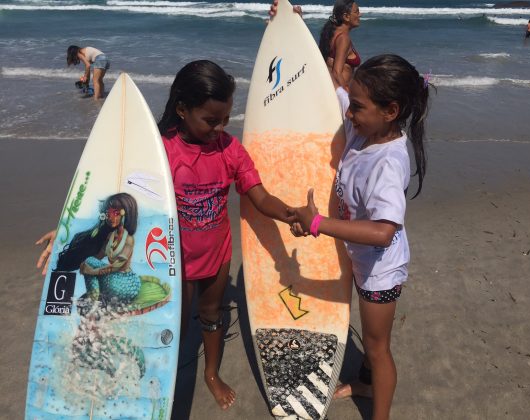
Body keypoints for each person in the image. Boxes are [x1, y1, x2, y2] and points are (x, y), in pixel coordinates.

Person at [36, 60, 298, 411]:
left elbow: (260, 196)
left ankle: (211, 373)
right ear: (182, 109)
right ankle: (161, 374)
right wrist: (68, 232)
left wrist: (292, 215)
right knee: (174, 321)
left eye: (225, 119)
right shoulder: (161, 152)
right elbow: (119, 201)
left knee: (212, 313)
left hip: (217, 253)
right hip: (174, 261)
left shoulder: (229, 150)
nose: (220, 128)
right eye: (210, 120)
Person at [289, 54, 430, 420]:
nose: (349, 113)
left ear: (390, 111)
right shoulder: (362, 128)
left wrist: (318, 223)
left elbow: (383, 232)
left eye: (357, 107)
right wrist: (287, 21)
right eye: (351, 104)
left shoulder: (388, 161)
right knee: (370, 340)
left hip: (380, 269)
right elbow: (332, 83)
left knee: (377, 346)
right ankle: (365, 383)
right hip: (359, 255)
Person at [319, 0, 361, 91]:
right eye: (356, 12)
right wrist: (347, 96)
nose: (360, 15)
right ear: (346, 16)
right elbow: (337, 73)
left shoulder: (331, 34)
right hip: (339, 92)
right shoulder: (343, 38)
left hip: (330, 90)